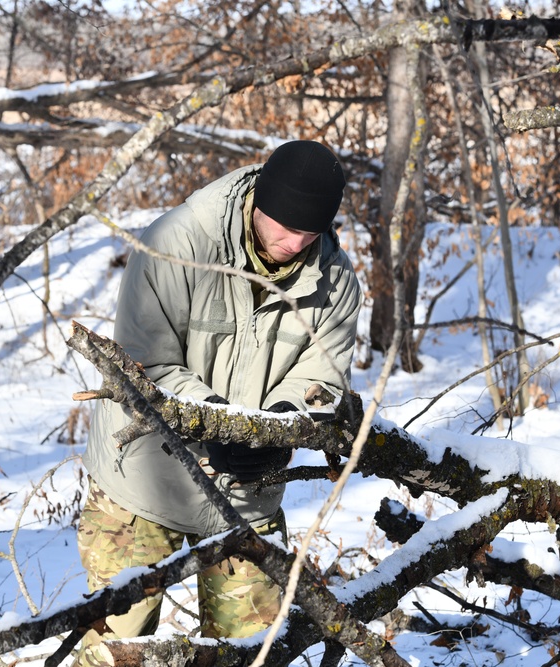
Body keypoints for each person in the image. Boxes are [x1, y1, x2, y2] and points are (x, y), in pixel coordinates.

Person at [76, 140, 362, 665]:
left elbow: (323, 380)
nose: (293, 242)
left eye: (309, 232)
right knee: (116, 648)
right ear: (258, 199)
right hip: (142, 477)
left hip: (246, 489)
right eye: (282, 224)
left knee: (249, 650)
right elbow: (146, 364)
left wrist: (279, 430)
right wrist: (218, 427)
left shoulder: (337, 282)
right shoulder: (177, 241)